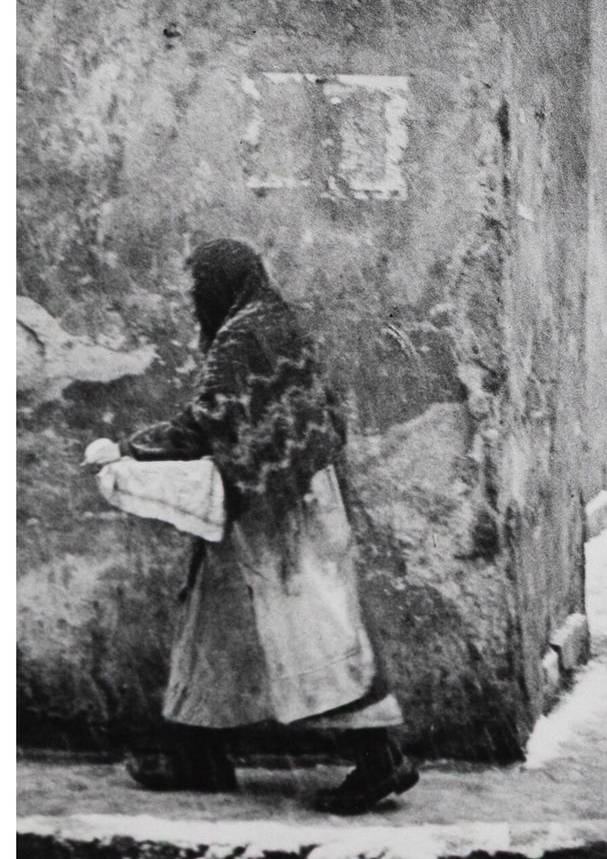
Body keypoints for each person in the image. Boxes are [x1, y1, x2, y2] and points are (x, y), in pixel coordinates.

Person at [114, 239, 421, 812]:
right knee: (217, 619)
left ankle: (381, 756)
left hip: (281, 509)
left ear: (224, 284)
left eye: (199, 287)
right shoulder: (276, 322)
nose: (194, 298)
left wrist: (132, 448)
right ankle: (197, 755)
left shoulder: (242, 337)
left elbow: (208, 423)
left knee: (313, 629)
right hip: (285, 493)